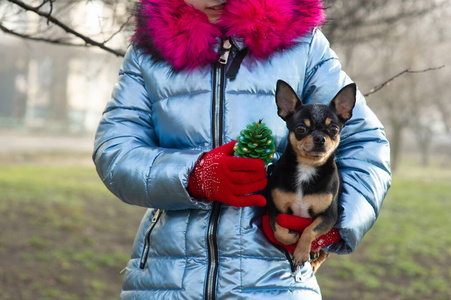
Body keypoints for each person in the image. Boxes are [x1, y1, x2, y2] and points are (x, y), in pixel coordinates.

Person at [92, 0, 391, 298]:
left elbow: (367, 145)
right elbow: (115, 148)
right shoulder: (148, 50)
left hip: (278, 283)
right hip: (164, 281)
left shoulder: (303, 44)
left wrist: (332, 226)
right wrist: (193, 176)